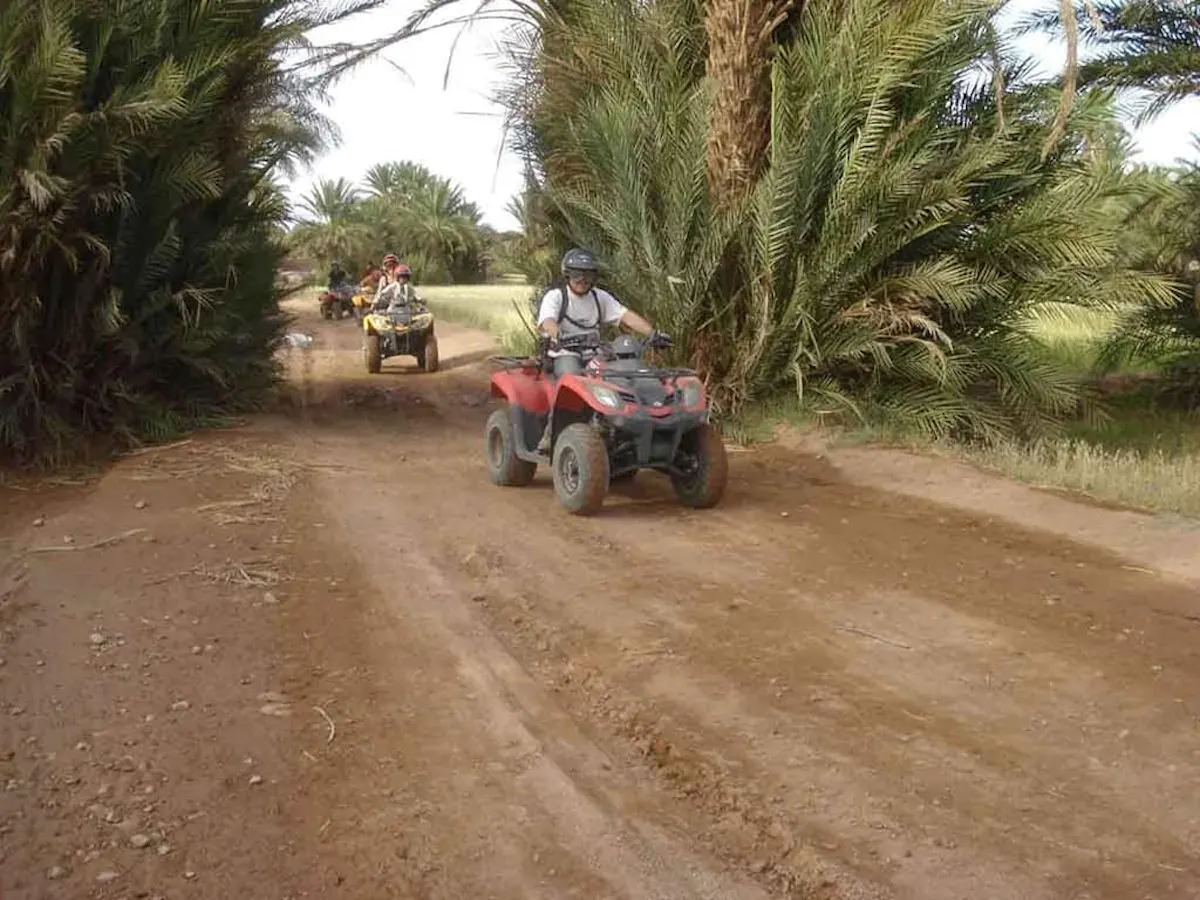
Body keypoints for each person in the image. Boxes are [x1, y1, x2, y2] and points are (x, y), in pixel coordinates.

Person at [534, 248, 666, 452]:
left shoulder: (599, 297)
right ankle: (550, 434)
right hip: (564, 353)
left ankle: (617, 426)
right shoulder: (557, 296)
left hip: (594, 354)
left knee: (620, 376)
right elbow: (547, 321)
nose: (582, 279)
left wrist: (652, 333)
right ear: (567, 274)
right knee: (572, 379)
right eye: (577, 273)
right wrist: (560, 335)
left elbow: (625, 316)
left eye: (588, 274)